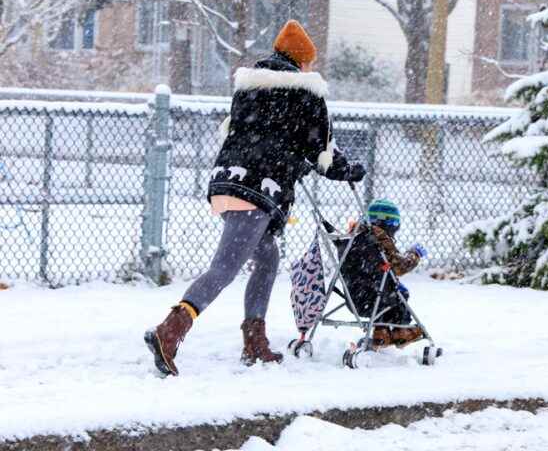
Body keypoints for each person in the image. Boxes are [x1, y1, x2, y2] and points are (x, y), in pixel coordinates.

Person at [145, 20, 365, 376]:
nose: (311, 68)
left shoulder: (249, 88)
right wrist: (347, 169)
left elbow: (258, 134)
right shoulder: (306, 92)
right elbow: (321, 149)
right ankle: (170, 331)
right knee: (225, 268)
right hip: (259, 190)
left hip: (228, 182)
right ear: (301, 61)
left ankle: (254, 341)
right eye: (309, 62)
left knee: (266, 259)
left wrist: (290, 160)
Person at [344, 199, 428, 349]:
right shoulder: (378, 238)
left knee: (382, 287)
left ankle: (381, 333)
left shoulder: (353, 237)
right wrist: (414, 254)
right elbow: (400, 267)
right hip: (375, 300)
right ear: (388, 223)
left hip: (354, 297)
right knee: (399, 292)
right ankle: (400, 331)